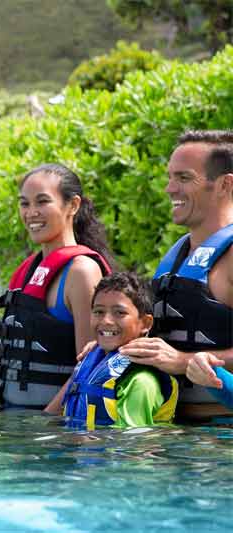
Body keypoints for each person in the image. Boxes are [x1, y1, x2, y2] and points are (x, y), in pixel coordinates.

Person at [0, 163, 113, 410]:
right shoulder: (28, 271)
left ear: (73, 205)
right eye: (25, 203)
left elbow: (89, 364)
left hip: (54, 432)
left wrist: (48, 421)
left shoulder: (81, 271)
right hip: (14, 421)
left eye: (42, 202)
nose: (31, 212)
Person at [123, 130, 233, 420]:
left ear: (224, 184)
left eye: (184, 178)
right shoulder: (177, 255)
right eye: (170, 177)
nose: (170, 189)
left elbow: (177, 357)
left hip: (221, 437)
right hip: (174, 432)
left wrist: (183, 361)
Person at [62, 272, 178, 429]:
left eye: (119, 313)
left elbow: (129, 448)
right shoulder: (91, 359)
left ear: (145, 323)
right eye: (98, 312)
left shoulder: (142, 382)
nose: (106, 321)